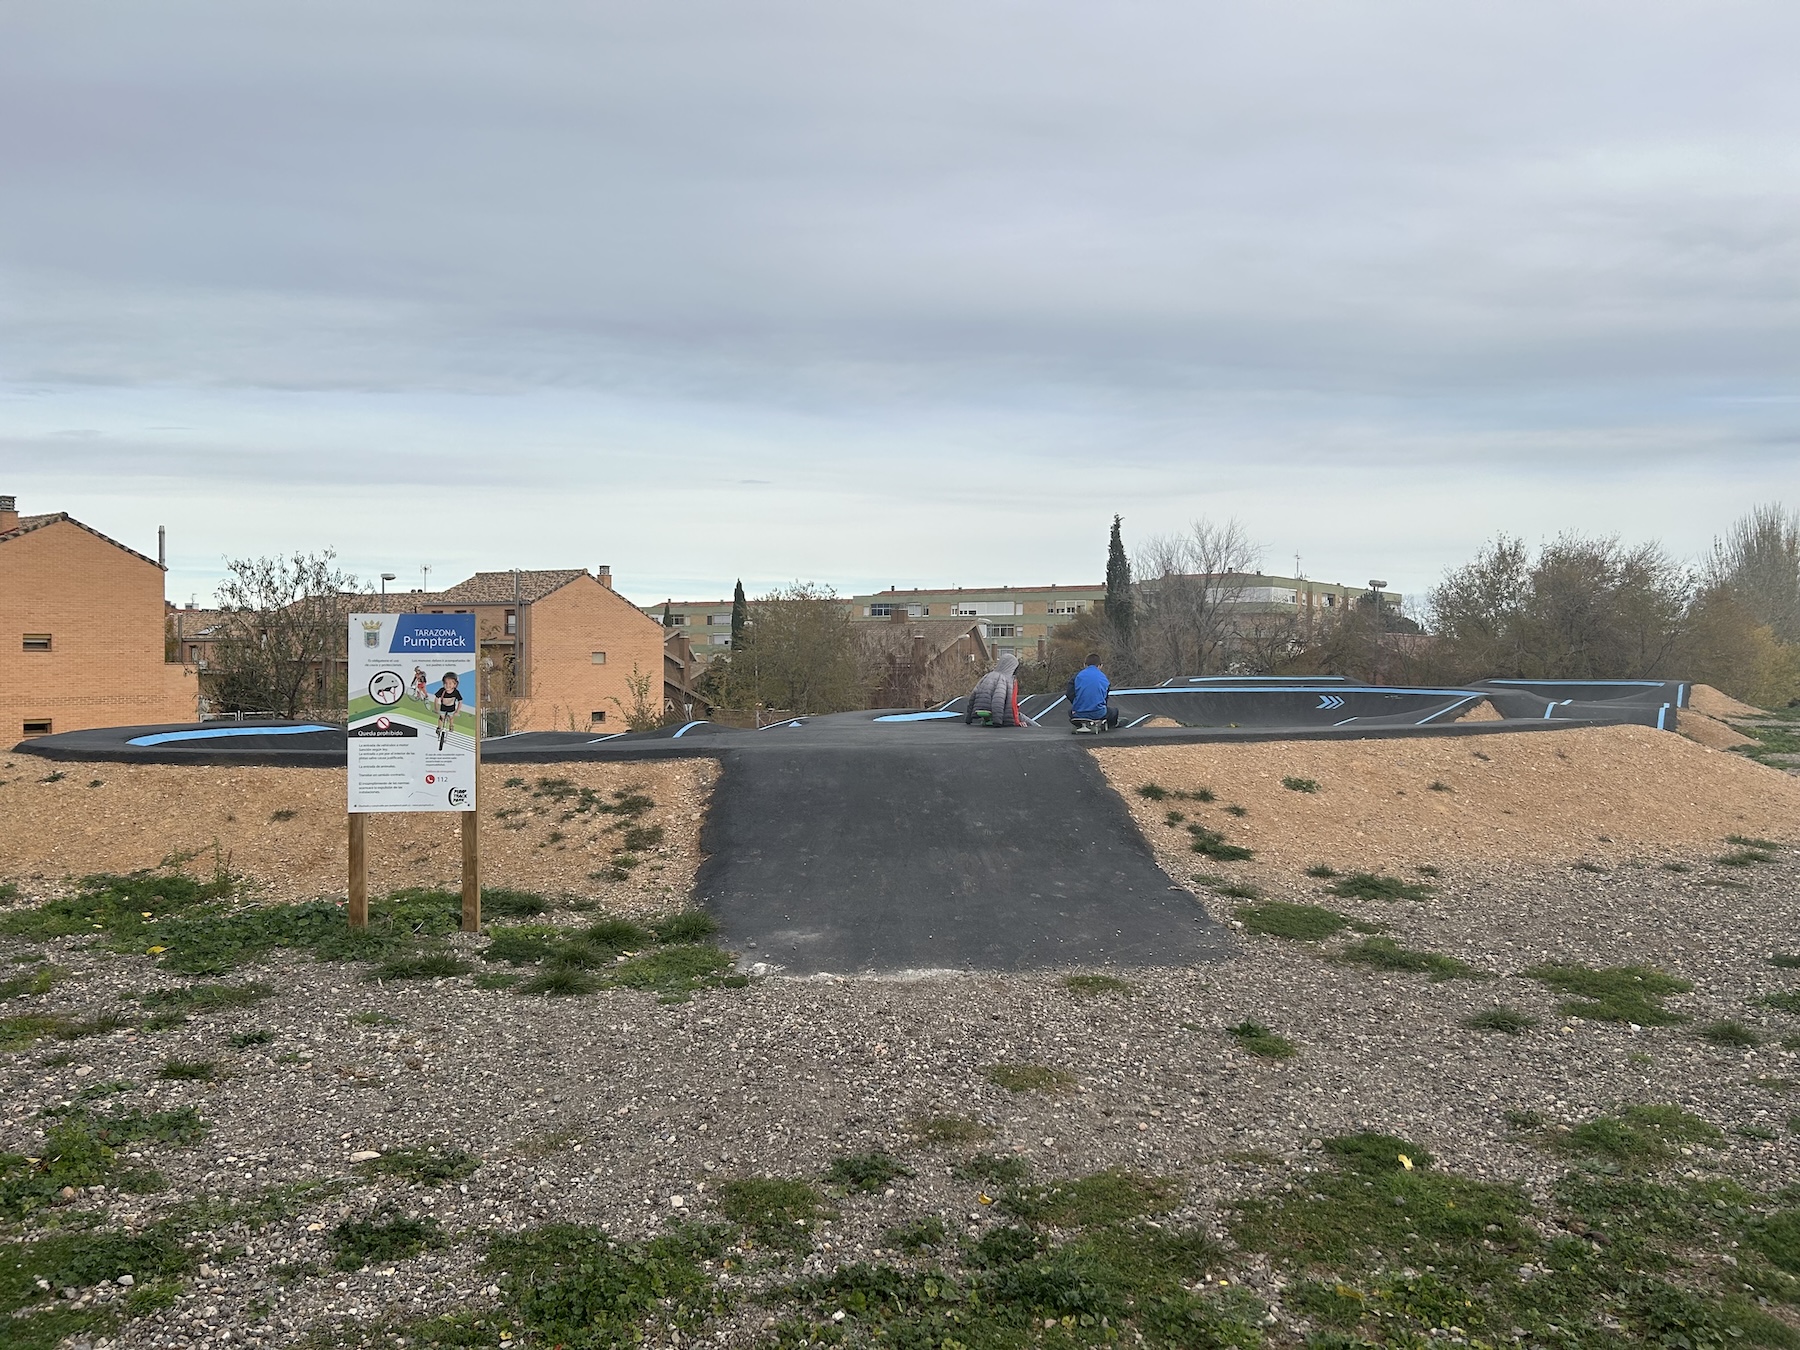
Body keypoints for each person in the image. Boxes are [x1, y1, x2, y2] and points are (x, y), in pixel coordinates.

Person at [965, 651, 1034, 727]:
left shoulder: (987, 676)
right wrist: (997, 721)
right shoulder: (1003, 679)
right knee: (1032, 724)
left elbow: (973, 695)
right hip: (1002, 716)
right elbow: (998, 700)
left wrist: (968, 718)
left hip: (984, 710)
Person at [1066, 652, 1120, 730]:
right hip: (1098, 713)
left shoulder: (1077, 676)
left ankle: (1080, 723)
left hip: (1078, 713)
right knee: (1114, 711)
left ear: (1084, 665)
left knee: (1070, 711)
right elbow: (1105, 697)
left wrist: (1077, 703)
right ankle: (1111, 725)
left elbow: (1069, 693)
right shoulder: (1104, 678)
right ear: (1100, 666)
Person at [434, 671, 464, 750]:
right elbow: (436, 698)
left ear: (455, 684)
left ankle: (451, 725)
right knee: (441, 717)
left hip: (451, 708)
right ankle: (439, 727)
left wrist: (457, 711)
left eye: (450, 683)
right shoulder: (442, 690)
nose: (448, 685)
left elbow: (460, 701)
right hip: (443, 707)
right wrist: (436, 708)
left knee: (451, 717)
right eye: (446, 683)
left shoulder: (456, 692)